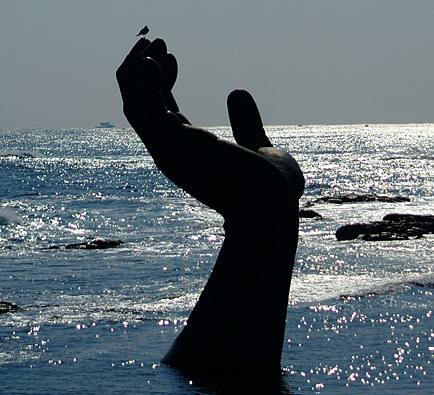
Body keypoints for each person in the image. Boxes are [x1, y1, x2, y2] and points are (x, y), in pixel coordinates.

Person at [116, 37, 305, 373]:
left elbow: (226, 379)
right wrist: (270, 212)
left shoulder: (268, 202)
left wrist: (264, 210)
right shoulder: (271, 203)